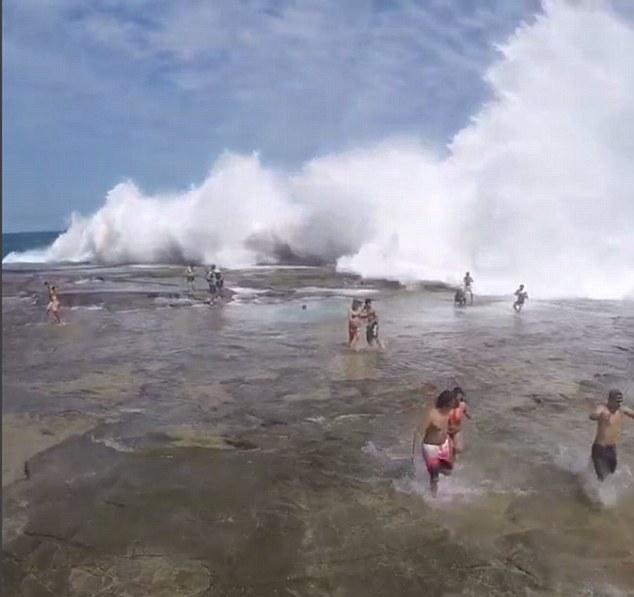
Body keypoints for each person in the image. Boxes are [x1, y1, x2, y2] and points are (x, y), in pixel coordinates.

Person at [412, 390, 456, 497]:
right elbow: (419, 432)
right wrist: (413, 451)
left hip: (443, 445)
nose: (452, 408)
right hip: (430, 447)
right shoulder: (432, 415)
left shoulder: (450, 413)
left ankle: (433, 470)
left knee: (447, 471)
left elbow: (451, 428)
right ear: (445, 404)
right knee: (434, 477)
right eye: (450, 405)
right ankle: (433, 497)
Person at [589, 389, 634, 481]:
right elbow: (592, 415)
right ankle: (596, 493)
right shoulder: (602, 408)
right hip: (599, 448)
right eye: (616, 403)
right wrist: (599, 416)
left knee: (611, 474)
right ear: (609, 400)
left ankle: (588, 470)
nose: (617, 405)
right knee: (601, 477)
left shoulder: (622, 410)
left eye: (619, 403)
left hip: (612, 449)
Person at [448, 387, 471, 455]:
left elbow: (468, 415)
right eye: (456, 397)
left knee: (459, 450)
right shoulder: (448, 405)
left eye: (460, 398)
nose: (458, 400)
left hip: (456, 431)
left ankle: (456, 464)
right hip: (446, 431)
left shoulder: (462, 405)